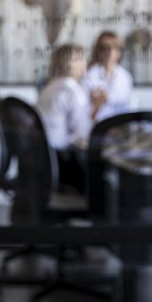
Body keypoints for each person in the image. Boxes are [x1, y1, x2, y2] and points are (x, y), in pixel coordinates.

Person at [37, 44, 100, 193]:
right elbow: (83, 134)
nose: (85, 63)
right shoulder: (73, 91)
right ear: (69, 64)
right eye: (80, 59)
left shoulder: (49, 88)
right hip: (64, 163)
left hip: (45, 161)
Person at [82, 30, 133, 121]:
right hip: (97, 126)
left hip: (120, 126)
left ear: (120, 51)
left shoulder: (125, 77)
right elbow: (83, 112)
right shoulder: (88, 75)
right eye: (105, 48)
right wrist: (98, 104)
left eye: (114, 48)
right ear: (98, 51)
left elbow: (126, 107)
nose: (109, 52)